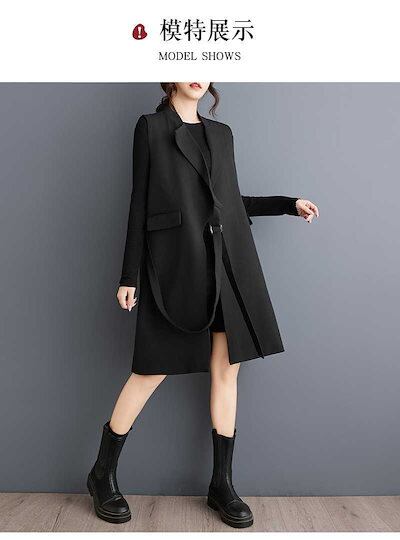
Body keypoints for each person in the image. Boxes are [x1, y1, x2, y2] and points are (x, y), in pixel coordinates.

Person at [87, 82, 319, 528]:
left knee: (227, 370)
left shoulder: (222, 134)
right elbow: (139, 202)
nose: (198, 73)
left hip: (227, 266)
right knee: (151, 369)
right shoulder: (150, 128)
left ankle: (221, 485)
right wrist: (129, 275)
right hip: (177, 265)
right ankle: (102, 474)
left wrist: (287, 204)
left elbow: (229, 201)